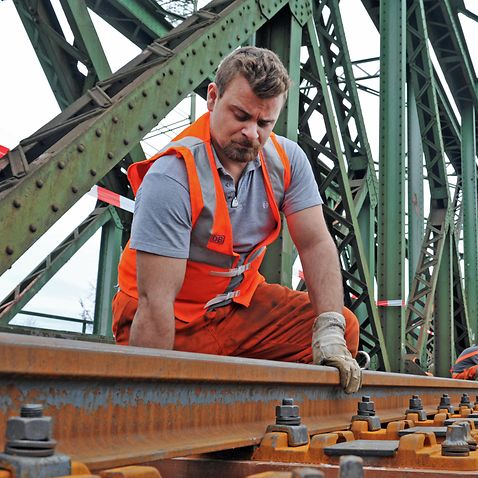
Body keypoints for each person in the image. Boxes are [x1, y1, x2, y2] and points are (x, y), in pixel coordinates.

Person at [112, 46, 362, 393]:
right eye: (241, 116)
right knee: (160, 397)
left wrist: (330, 330)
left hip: (235, 312)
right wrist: (149, 392)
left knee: (342, 326)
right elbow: (156, 304)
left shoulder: (288, 162)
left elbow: (316, 243)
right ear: (213, 98)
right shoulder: (173, 176)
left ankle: (279, 429)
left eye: (264, 123)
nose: (252, 133)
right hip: (172, 323)